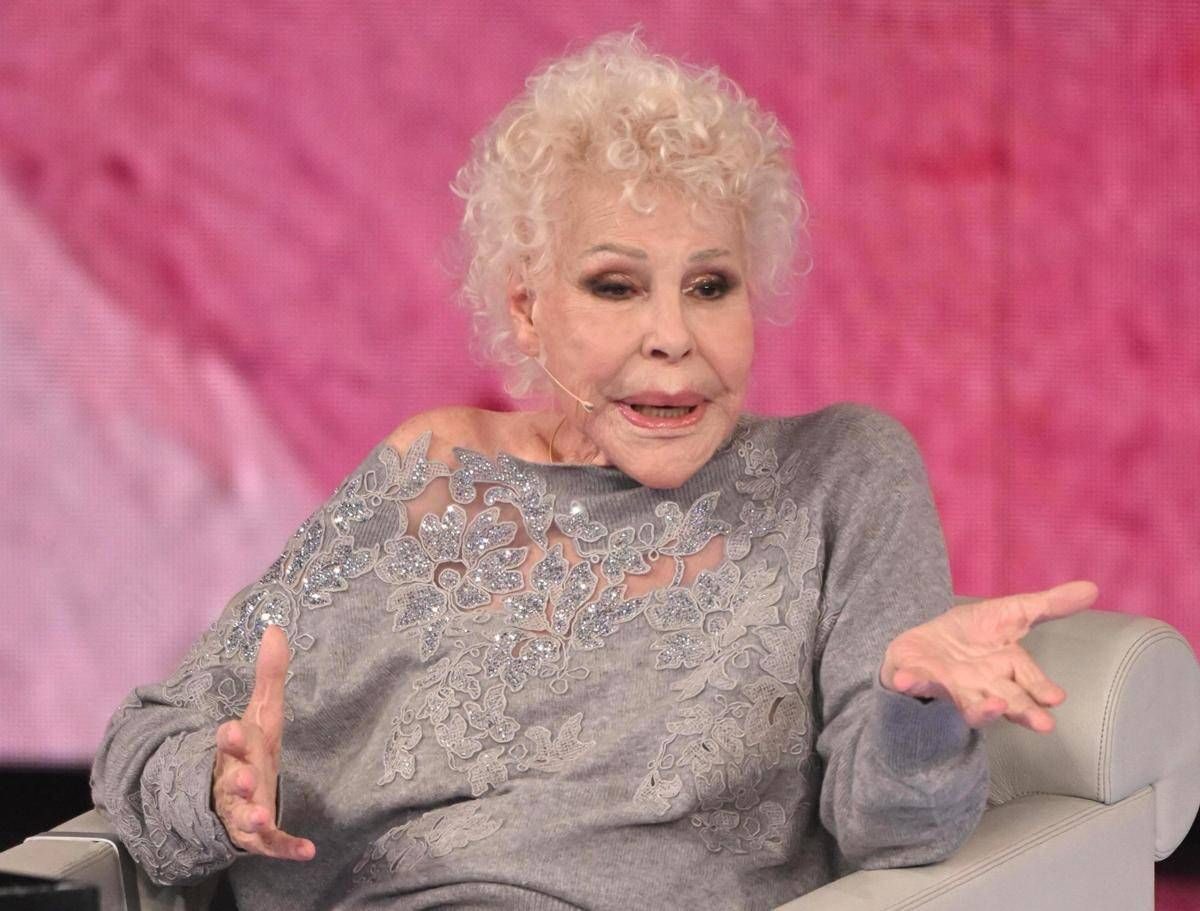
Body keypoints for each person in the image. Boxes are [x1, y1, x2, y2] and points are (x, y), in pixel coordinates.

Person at [90, 30, 1098, 910]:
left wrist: (918, 707)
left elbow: (894, 834)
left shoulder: (842, 474)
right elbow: (150, 735)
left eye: (711, 284)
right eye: (616, 286)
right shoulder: (429, 472)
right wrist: (218, 791)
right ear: (528, 310)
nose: (672, 335)